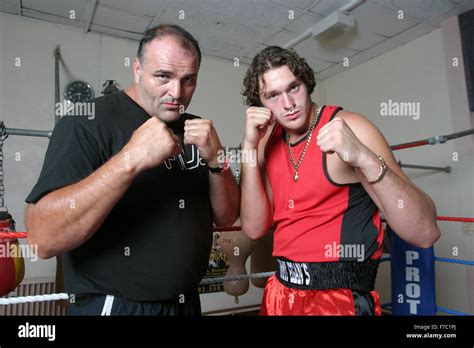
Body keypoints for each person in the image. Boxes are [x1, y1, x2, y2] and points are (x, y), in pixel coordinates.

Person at [24, 24, 239, 316]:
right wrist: (130, 159)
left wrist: (217, 161)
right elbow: (41, 239)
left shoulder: (195, 128)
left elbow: (226, 217)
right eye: (163, 76)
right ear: (137, 69)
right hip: (117, 305)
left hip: (186, 302)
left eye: (188, 80)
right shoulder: (87, 122)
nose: (176, 92)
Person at [240, 46, 440, 316]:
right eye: (273, 95)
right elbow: (253, 229)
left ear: (306, 82)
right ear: (260, 104)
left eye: (294, 87)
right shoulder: (265, 141)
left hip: (339, 299)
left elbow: (425, 232)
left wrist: (364, 158)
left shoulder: (352, 126)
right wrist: (249, 147)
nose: (287, 104)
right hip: (281, 293)